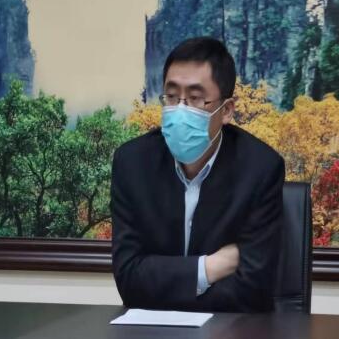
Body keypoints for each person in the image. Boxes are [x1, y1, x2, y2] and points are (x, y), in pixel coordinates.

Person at [111, 36, 285, 313]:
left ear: (226, 110)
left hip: (231, 329)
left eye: (195, 99)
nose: (180, 110)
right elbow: (129, 280)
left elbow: (252, 291)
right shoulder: (132, 163)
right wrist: (210, 268)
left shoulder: (260, 168)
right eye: (171, 97)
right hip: (151, 330)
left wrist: (162, 285)